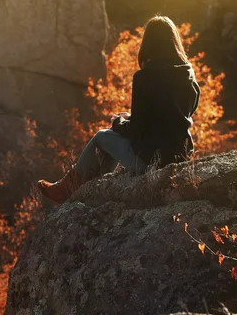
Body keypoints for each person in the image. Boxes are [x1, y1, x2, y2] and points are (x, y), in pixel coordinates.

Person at [38, 15, 201, 204]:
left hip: (152, 162)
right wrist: (130, 119)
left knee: (102, 137)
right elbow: (174, 115)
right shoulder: (187, 73)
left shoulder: (145, 76)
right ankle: (84, 188)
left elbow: (139, 130)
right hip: (180, 156)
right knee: (109, 138)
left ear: (149, 43)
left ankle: (68, 189)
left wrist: (118, 122)